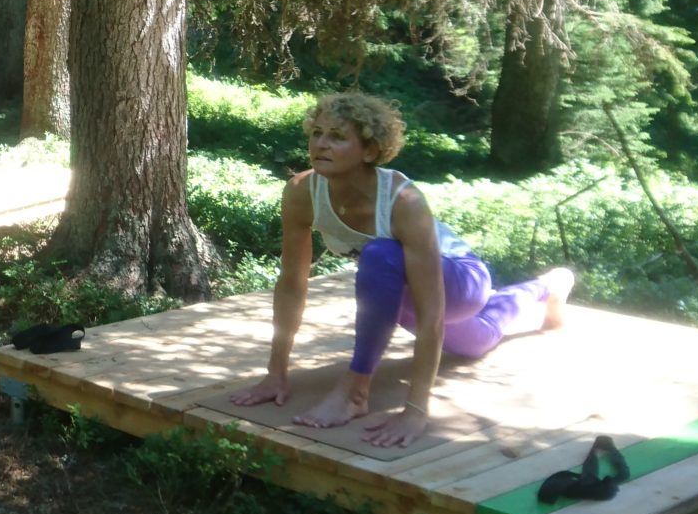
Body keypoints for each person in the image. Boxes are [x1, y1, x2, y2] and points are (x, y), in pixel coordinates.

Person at [231, 91, 574, 448]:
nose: (321, 144)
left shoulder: (403, 201)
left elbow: (433, 315)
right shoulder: (303, 192)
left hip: (462, 280)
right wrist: (276, 372)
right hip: (400, 289)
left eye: (337, 136)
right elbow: (292, 284)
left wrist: (416, 409)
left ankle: (354, 390)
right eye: (317, 133)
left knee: (379, 255)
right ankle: (547, 286)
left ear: (369, 150)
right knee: (478, 341)